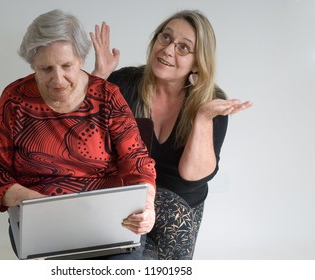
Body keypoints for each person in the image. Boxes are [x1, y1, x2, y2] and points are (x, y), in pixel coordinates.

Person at [0, 9, 156, 260]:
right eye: (45, 69)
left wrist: (147, 207)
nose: (58, 79)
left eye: (66, 66)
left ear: (81, 59)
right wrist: (39, 205)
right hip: (42, 223)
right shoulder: (15, 99)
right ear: (32, 65)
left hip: (108, 220)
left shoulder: (108, 96)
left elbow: (137, 161)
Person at [90, 10, 252, 259]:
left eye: (183, 48)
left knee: (167, 234)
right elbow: (78, 138)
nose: (168, 50)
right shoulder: (124, 83)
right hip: (129, 197)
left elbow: (191, 178)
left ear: (198, 62)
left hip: (179, 210)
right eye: (165, 38)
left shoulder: (212, 102)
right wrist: (98, 76)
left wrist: (202, 119)